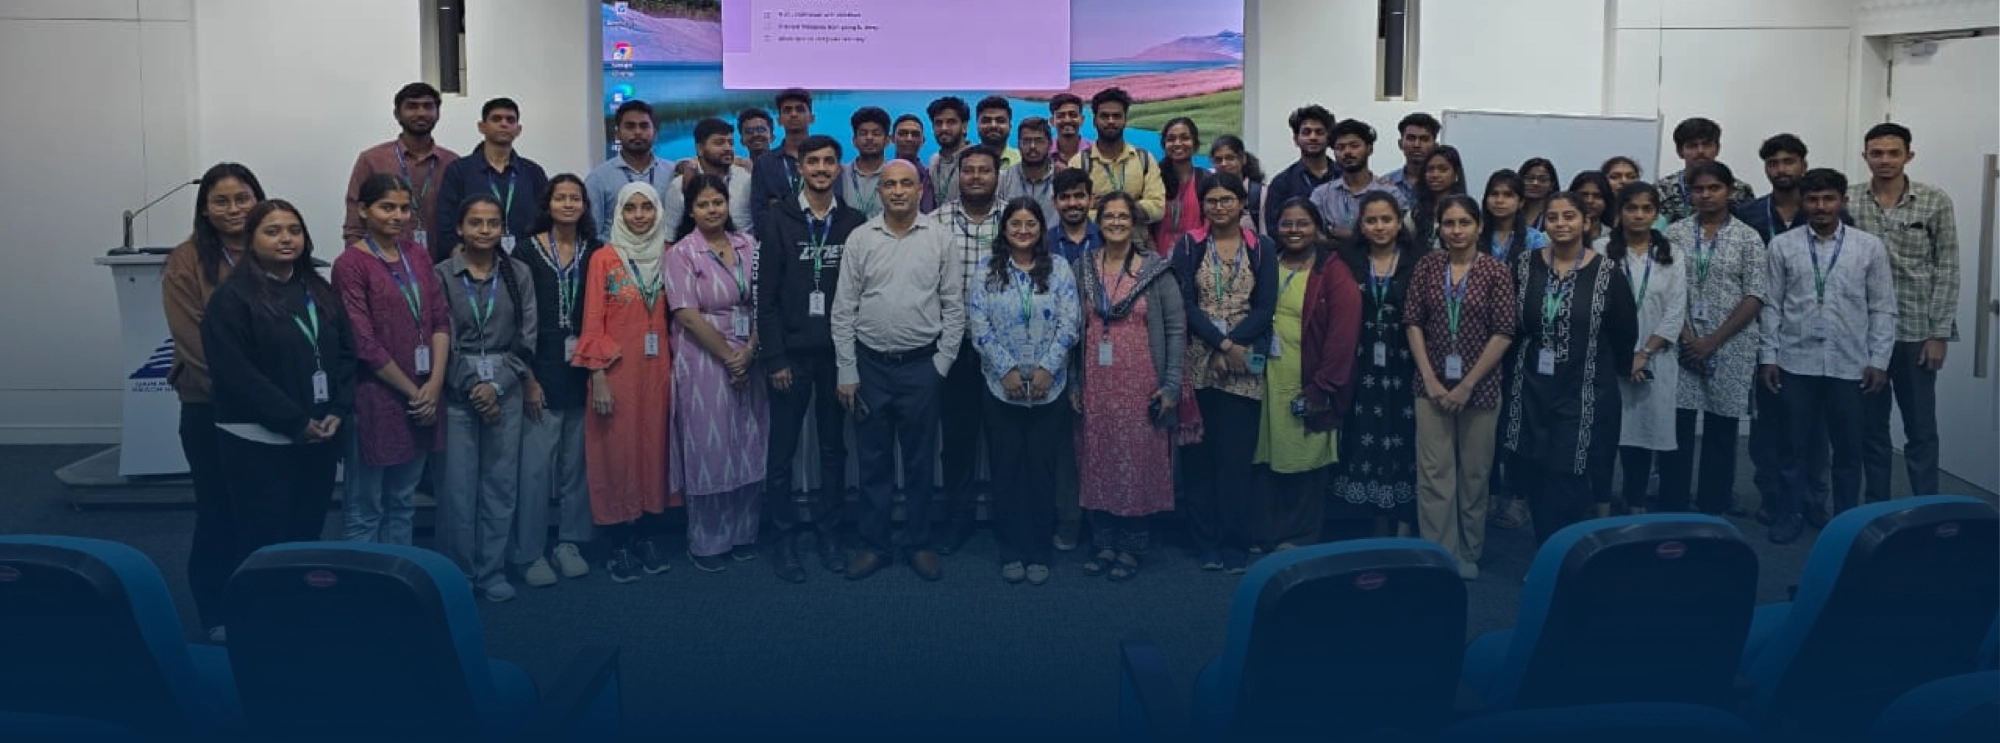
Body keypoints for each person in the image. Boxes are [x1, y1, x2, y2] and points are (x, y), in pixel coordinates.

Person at [202, 199, 356, 629]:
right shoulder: (232, 298)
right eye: (272, 231)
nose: (286, 238)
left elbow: (346, 354)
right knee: (261, 541)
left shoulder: (318, 290)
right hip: (257, 441)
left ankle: (298, 618)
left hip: (318, 436)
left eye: (294, 230)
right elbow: (236, 374)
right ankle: (257, 625)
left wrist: (338, 410)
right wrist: (295, 421)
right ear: (250, 240)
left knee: (305, 535)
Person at [832, 160, 965, 582]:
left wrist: (941, 366)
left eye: (906, 183)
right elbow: (843, 308)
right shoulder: (861, 238)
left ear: (920, 188)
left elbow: (954, 307)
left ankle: (919, 542)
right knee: (872, 462)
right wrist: (847, 370)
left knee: (920, 462)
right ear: (880, 192)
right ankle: (875, 545)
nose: (898, 191)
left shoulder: (939, 238)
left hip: (922, 368)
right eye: (889, 184)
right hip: (870, 367)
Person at [1761, 168, 1896, 544]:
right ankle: (1791, 512)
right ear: (1803, 202)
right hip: (1795, 360)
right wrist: (1768, 356)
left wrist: (1879, 360)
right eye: (1813, 199)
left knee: (1848, 448)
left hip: (1850, 364)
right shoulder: (1782, 246)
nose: (1820, 206)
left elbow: (1882, 307)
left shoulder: (1868, 247)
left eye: (1828, 198)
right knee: (1792, 445)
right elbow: (1771, 305)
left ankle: (1846, 519)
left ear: (1843, 201)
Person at [758, 135, 867, 582]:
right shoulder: (777, 219)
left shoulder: (854, 222)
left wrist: (851, 360)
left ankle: (830, 534)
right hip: (790, 358)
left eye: (829, 161)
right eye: (813, 162)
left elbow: (860, 294)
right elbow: (765, 297)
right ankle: (783, 540)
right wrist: (775, 358)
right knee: (781, 453)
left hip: (836, 357)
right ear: (800, 167)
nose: (821, 168)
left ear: (839, 168)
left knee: (833, 450)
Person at [165, 162, 265, 641]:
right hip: (211, 407)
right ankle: (215, 610)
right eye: (221, 201)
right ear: (205, 210)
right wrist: (251, 392)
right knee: (219, 511)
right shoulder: (186, 260)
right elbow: (192, 341)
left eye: (242, 198)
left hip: (273, 409)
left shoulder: (274, 246)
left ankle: (265, 602)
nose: (233, 209)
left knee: (263, 512)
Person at [1502, 193, 1638, 545]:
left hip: (1584, 389)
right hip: (1530, 386)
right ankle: (1547, 551)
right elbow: (1510, 326)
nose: (1561, 223)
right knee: (1534, 470)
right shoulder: (1524, 265)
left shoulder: (1607, 273)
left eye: (1569, 216)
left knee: (1567, 473)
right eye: (1553, 217)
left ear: (1587, 222)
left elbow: (1625, 332)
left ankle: (1566, 553)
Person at [332, 175, 450, 546]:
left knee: (403, 500)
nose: (398, 216)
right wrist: (415, 393)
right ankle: (362, 579)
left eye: (404, 208)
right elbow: (363, 342)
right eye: (387, 207)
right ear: (364, 210)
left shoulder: (418, 254)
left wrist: (434, 386)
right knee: (365, 506)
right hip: (377, 396)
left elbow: (440, 320)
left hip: (425, 393)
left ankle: (398, 571)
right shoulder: (350, 264)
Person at [1073, 192, 1184, 582]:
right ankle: (1103, 543)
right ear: (1099, 222)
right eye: (1109, 216)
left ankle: (1132, 547)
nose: (1116, 223)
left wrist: (1171, 385)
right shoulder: (1084, 267)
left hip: (1142, 383)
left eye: (1124, 217)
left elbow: (1175, 328)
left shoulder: (1156, 270)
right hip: (1097, 384)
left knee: (1138, 463)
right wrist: (1074, 382)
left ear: (1135, 223)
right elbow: (1075, 328)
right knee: (1098, 459)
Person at [968, 199, 1079, 584]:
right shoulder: (987, 269)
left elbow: (1070, 323)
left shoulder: (1059, 268)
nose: (1023, 230)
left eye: (1030, 223)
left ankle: (1039, 550)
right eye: (1015, 223)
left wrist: (1048, 369)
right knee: (1007, 471)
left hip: (1050, 388)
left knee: (1042, 471)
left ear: (1041, 229)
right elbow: (979, 324)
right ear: (1004, 229)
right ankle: (1011, 549)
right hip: (1001, 387)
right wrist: (1007, 371)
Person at [433, 195, 537, 602]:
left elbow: (527, 336)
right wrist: (473, 387)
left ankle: (491, 570)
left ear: (503, 229)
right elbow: (439, 334)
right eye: (475, 222)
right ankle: (458, 573)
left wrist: (496, 388)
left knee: (500, 483)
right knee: (457, 489)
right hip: (456, 385)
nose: (484, 230)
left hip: (506, 383)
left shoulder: (518, 273)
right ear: (460, 228)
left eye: (493, 223)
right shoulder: (442, 274)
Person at [1404, 195, 1514, 579]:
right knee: (1434, 473)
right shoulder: (1428, 266)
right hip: (1431, 386)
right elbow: (1413, 322)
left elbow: (1504, 332)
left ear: (1479, 226)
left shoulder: (1496, 271)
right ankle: (1440, 552)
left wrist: (1467, 385)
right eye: (1448, 223)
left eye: (1464, 223)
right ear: (1439, 227)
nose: (1456, 231)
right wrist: (1429, 378)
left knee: (1474, 474)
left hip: (1480, 388)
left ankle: (1469, 550)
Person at [664, 174, 769, 572]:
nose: (712, 210)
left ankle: (744, 533)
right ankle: (707, 542)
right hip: (703, 356)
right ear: (691, 211)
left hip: (749, 351)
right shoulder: (682, 253)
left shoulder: (749, 245)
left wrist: (749, 351)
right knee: (711, 447)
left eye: (718, 202)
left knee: (747, 441)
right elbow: (686, 315)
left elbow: (764, 300)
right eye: (703, 204)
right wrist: (729, 357)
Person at [575, 182, 678, 583]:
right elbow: (592, 319)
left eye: (646, 208)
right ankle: (618, 541)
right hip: (616, 370)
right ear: (619, 212)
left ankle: (646, 535)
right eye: (631, 208)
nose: (639, 216)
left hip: (659, 371)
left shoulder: (669, 254)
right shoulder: (604, 258)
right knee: (616, 453)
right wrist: (597, 375)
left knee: (654, 450)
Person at [1175, 172, 1278, 574]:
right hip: (1199, 359)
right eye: (1212, 201)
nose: (1219, 207)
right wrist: (1221, 345)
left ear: (1241, 203)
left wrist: (1234, 346)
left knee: (1236, 460)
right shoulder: (1189, 245)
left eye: (1227, 200)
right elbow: (1185, 304)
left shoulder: (1262, 247)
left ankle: (1236, 543)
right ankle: (1206, 543)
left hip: (1245, 361)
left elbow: (1265, 307)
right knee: (1198, 457)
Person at [1850, 122, 1957, 506]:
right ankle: (1876, 506)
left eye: (1893, 153)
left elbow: (1947, 267)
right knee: (1871, 428)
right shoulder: (1848, 200)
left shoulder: (1934, 200)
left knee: (1921, 429)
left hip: (1916, 332)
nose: (1885, 160)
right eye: (1876, 153)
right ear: (1865, 157)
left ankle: (1926, 507)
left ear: (1908, 155)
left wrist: (1939, 334)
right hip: (1864, 334)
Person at [1736, 133, 1832, 525]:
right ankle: (1772, 496)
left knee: (1815, 425)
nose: (1781, 169)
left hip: (1814, 333)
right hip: (1759, 330)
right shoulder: (1749, 214)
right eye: (1773, 163)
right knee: (1768, 424)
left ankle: (1814, 498)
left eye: (1789, 161)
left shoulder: (1824, 212)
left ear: (1803, 164)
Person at [1663, 161, 1767, 515]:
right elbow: (1665, 289)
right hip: (1680, 342)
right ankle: (1673, 503)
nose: (1706, 195)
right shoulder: (1675, 234)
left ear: (1730, 191)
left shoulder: (1748, 237)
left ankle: (1714, 505)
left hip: (1731, 344)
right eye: (1699, 189)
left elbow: (1755, 294)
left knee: (1722, 428)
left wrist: (1712, 341)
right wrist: (1688, 338)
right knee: (1678, 426)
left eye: (1714, 188)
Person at [1255, 199, 1358, 551]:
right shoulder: (1269, 262)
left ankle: (1299, 536)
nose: (1294, 230)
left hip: (1309, 378)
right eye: (1287, 224)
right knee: (1268, 456)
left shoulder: (1333, 271)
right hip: (1267, 378)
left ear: (1317, 227)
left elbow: (1343, 335)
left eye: (1303, 223)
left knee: (1304, 458)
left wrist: (1322, 387)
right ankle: (1269, 532)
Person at [513, 174, 599, 586]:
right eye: (560, 198)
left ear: (584, 205)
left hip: (582, 366)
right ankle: (530, 552)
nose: (568, 204)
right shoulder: (525, 251)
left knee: (576, 464)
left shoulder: (595, 250)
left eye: (575, 198)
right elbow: (517, 318)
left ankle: (570, 542)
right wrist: (527, 378)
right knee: (534, 469)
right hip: (540, 366)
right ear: (547, 204)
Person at [1331, 192, 1424, 537]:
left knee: (1404, 438)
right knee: (1362, 436)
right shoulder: (1346, 260)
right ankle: (1370, 524)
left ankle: (1404, 524)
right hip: (1361, 362)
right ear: (1361, 225)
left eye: (1386, 219)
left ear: (1399, 223)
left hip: (1406, 362)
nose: (1379, 226)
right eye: (1371, 220)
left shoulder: (1419, 261)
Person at [933, 145, 1003, 555]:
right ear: (957, 176)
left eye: (984, 170)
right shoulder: (936, 221)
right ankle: (956, 521)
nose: (976, 177)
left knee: (1004, 440)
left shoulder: (1016, 219)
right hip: (954, 348)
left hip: (1005, 352)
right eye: (969, 170)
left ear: (997, 175)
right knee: (957, 442)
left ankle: (1009, 522)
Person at [1602, 183, 1686, 516]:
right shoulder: (1600, 249)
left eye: (1646, 209)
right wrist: (1624, 357)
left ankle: (1635, 502)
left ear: (1656, 213)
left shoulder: (1672, 253)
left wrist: (1643, 354)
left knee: (1642, 434)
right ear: (1619, 212)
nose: (1639, 215)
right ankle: (1600, 504)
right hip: (1609, 358)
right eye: (1631, 208)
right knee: (1607, 434)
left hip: (1655, 358)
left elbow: (1676, 310)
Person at [1479, 168, 1548, 531]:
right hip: (1479, 338)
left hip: (1522, 339)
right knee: (1485, 421)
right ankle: (1490, 492)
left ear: (1521, 201)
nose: (1500, 200)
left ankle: (1517, 496)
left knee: (1518, 420)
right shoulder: (1476, 234)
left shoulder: (1537, 240)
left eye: (1508, 194)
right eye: (1494, 193)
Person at [343, 82, 457, 250]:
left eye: (428, 106)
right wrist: (358, 261)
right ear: (397, 114)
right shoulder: (372, 160)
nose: (421, 113)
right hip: (383, 260)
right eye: (412, 107)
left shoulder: (453, 162)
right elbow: (354, 224)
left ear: (438, 113)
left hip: (442, 261)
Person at [434, 98, 551, 261]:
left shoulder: (533, 172)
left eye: (510, 120)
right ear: (481, 127)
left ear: (518, 129)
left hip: (526, 262)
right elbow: (446, 219)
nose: (504, 124)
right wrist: (456, 254)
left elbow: (546, 218)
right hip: (473, 262)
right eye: (496, 119)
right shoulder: (459, 170)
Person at [1070, 87, 1166, 225]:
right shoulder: (1079, 163)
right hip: (1094, 237)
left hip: (1136, 237)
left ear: (1125, 120)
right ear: (1094, 121)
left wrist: (1102, 206)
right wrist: (1134, 206)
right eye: (1104, 116)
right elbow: (1074, 211)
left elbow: (1157, 207)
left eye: (1117, 116)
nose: (1111, 121)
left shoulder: (1144, 159)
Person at [584, 100, 676, 239]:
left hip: (664, 251)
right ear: (617, 134)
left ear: (655, 133)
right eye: (630, 126)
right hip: (615, 252)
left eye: (644, 126)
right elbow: (592, 232)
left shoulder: (672, 173)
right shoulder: (598, 178)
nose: (637, 132)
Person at [1311, 119, 1407, 242]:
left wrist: (1337, 233)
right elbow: (1315, 234)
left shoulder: (1390, 192)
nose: (1347, 152)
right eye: (1340, 147)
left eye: (1354, 146)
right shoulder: (1322, 195)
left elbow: (1402, 235)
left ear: (1369, 149)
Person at [662, 118, 755, 237]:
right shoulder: (680, 185)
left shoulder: (746, 179)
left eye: (731, 143)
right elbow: (670, 234)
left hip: (745, 246)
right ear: (700, 149)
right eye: (719, 143)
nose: (728, 148)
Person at [1656, 117, 1757, 224]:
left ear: (1717, 149)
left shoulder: (1739, 190)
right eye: (1692, 146)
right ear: (1679, 152)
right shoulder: (1662, 190)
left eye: (1707, 145)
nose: (1701, 151)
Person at [1264, 104, 1341, 231]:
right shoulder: (1282, 183)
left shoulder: (1343, 176)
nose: (1313, 137)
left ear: (1329, 139)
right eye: (1306, 132)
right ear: (1296, 139)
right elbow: (1274, 228)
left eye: (1319, 132)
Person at [750, 88, 817, 229]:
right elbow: (759, 212)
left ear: (811, 118)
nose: (793, 114)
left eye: (800, 109)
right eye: (787, 110)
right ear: (779, 120)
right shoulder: (765, 162)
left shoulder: (823, 159)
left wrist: (779, 205)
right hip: (778, 237)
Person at [1154, 118, 1209, 256]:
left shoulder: (1205, 179)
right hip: (1158, 261)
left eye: (1185, 138)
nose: (1178, 143)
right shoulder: (1154, 179)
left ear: (1195, 144)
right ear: (1164, 145)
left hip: (1197, 258)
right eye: (1171, 139)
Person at [995, 117, 1060, 218]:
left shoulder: (1060, 176)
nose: (1032, 146)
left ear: (1050, 144)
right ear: (1018, 145)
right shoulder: (1004, 179)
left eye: (1039, 141)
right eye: (1026, 141)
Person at [1405, 145, 1466, 250]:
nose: (1435, 175)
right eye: (1430, 169)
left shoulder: (1467, 211)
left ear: (1456, 175)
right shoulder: (1415, 214)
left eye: (1443, 170)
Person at [839, 106, 892, 219]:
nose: (869, 138)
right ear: (854, 141)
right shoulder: (840, 173)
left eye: (876, 133)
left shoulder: (894, 175)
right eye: (863, 133)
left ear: (887, 140)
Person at [1209, 135, 1267, 234]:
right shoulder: (1208, 192)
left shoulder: (1259, 194)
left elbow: (1265, 233)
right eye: (1218, 160)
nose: (1223, 164)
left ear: (1243, 159)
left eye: (1230, 158)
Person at [1382, 113, 1441, 205]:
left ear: (1435, 146)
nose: (1417, 145)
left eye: (1424, 139)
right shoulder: (1385, 185)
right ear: (1400, 144)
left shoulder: (1441, 184)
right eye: (1411, 138)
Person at [1048, 168, 1101, 264]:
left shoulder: (1105, 239)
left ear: (1091, 200)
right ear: (1054, 202)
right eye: (1064, 197)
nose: (1072, 203)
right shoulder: (1044, 242)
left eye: (1079, 196)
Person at [927, 96, 972, 205]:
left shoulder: (977, 158)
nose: (944, 128)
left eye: (951, 122)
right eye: (938, 123)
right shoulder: (933, 160)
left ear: (964, 127)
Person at [973, 95, 1023, 168]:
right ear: (977, 126)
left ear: (1010, 126)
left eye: (1000, 121)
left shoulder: (1022, 160)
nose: (993, 125)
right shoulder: (965, 160)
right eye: (986, 121)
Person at [1568, 171, 1614, 245]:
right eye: (1583, 195)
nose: (1589, 201)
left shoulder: (1614, 237)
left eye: (1597, 196)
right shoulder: (1556, 234)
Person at [1048, 93, 1092, 167]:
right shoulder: (1045, 152)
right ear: (1052, 121)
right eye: (1060, 116)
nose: (1067, 120)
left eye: (1073, 115)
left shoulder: (1094, 152)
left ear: (1082, 120)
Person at [1517, 158, 1559, 232]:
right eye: (1529, 178)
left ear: (1551, 185)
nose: (1535, 183)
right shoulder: (1511, 213)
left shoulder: (1556, 215)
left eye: (1542, 179)